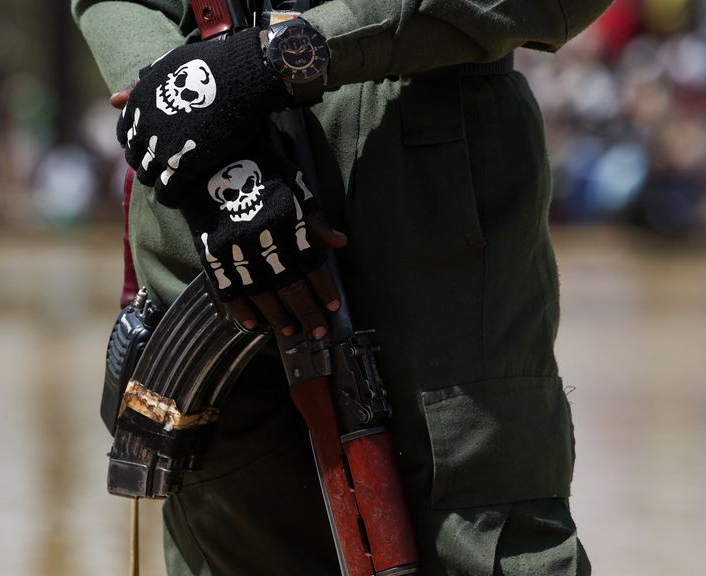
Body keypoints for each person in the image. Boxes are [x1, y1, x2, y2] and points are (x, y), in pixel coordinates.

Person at [72, 1, 611, 574]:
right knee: (231, 536)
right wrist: (186, 108)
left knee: (486, 539)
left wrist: (283, 56)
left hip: (427, 189)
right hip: (197, 211)